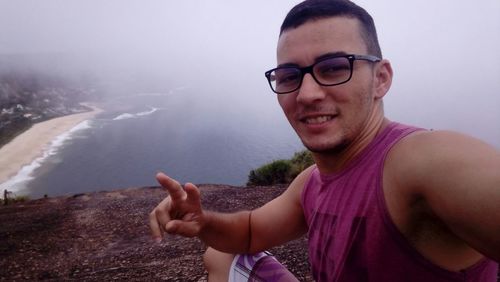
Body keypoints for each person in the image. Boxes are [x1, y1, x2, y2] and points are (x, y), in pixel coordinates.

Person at [149, 0, 500, 281]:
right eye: (289, 76)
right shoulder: (311, 183)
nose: (307, 94)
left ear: (381, 79)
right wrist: (203, 222)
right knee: (220, 252)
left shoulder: (419, 162)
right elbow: (252, 232)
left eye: (333, 67)